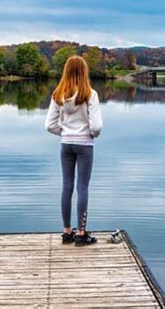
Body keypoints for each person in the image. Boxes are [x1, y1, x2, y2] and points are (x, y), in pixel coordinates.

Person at [45, 55, 103, 246]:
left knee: (66, 186)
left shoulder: (58, 95)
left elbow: (49, 125)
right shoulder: (90, 94)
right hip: (85, 145)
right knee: (82, 187)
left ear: (66, 72)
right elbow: (96, 126)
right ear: (84, 72)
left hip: (66, 144)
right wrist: (90, 134)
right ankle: (81, 233)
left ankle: (67, 232)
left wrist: (65, 133)